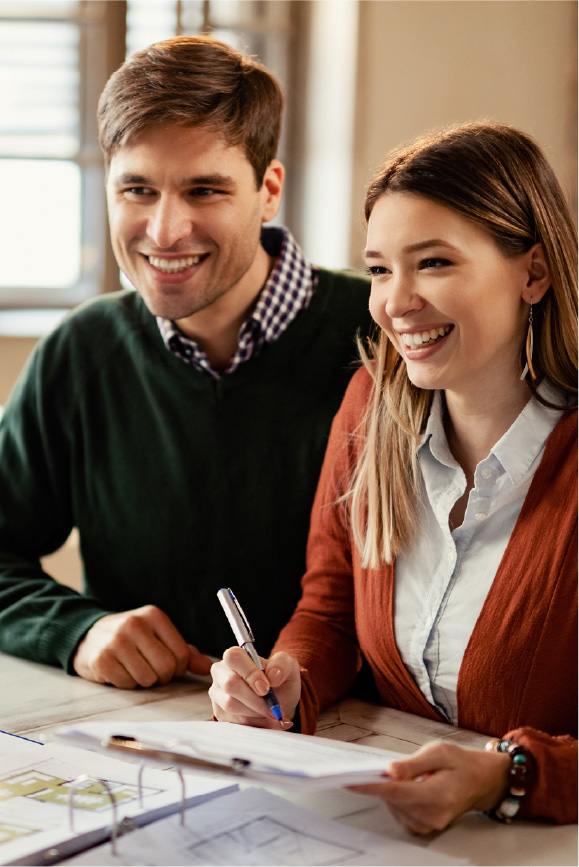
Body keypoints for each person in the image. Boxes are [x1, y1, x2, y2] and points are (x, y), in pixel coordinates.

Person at [209, 123, 578, 832]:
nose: (394, 301)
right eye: (379, 269)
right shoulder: (371, 406)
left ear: (532, 272)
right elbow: (330, 608)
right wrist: (289, 677)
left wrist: (510, 774)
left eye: (433, 262)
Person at [0, 36, 372, 689]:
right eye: (137, 188)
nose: (165, 230)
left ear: (268, 191)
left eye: (204, 190)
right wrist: (75, 629)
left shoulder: (384, 334)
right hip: (145, 742)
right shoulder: (83, 351)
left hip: (350, 736)